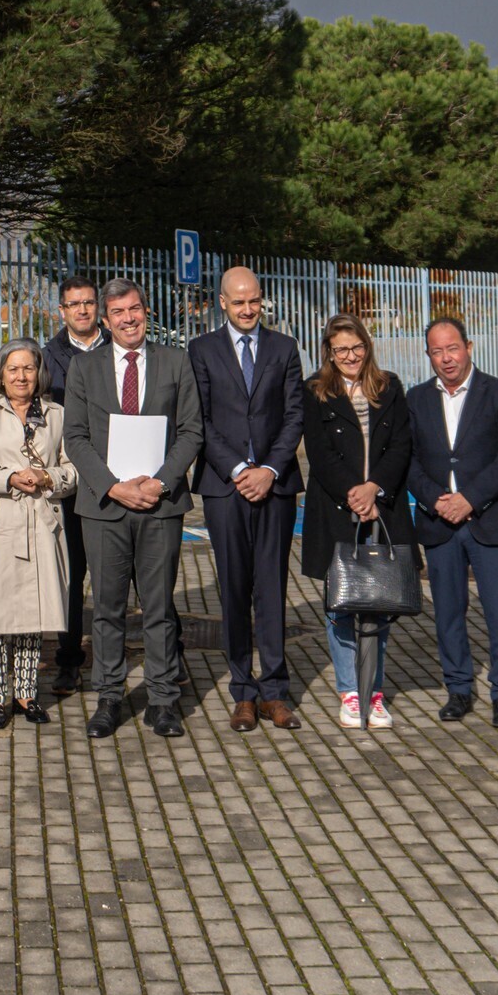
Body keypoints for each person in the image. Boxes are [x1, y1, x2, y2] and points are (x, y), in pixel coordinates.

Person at [62, 277, 204, 739]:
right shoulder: (84, 369)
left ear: (147, 311)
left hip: (160, 506)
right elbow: (76, 438)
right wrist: (114, 487)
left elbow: (191, 432)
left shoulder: (176, 362)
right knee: (106, 608)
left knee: (159, 606)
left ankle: (162, 699)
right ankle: (108, 697)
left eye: (135, 309)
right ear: (105, 319)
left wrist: (160, 483)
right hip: (105, 507)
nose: (129, 318)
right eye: (118, 312)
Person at [188, 267, 308, 732]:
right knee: (234, 589)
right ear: (222, 302)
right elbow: (199, 418)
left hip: (276, 486)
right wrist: (239, 470)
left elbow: (294, 414)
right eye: (238, 302)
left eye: (253, 300)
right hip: (224, 487)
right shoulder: (200, 350)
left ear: (262, 300)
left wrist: (269, 470)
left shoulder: (284, 348)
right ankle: (243, 691)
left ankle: (275, 690)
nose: (247, 309)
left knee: (273, 587)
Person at [404, 317, 498, 728]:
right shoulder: (416, 399)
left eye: (452, 348)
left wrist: (470, 499)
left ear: (469, 347)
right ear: (428, 356)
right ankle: (458, 688)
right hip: (440, 521)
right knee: (448, 612)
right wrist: (436, 500)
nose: (446, 358)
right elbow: (408, 459)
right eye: (437, 351)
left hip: (491, 519)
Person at [0, 339, 79, 728]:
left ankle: (26, 694)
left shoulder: (57, 415)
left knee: (30, 617)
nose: (21, 376)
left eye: (28, 368)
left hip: (41, 525)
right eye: (13, 368)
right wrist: (6, 477)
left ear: (39, 373)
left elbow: (72, 470)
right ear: (1, 374)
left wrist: (47, 477)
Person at [299, 314, 414, 730]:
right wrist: (353, 490)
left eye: (357, 347)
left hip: (382, 508)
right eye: (340, 349)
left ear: (367, 346)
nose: (350, 356)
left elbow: (402, 444)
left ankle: (375, 691)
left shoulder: (390, 386)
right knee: (342, 605)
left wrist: (375, 489)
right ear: (328, 352)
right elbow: (318, 450)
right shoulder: (316, 391)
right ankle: (350, 690)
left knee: (379, 602)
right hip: (336, 510)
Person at [39, 275, 106, 694]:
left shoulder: (120, 346)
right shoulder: (48, 357)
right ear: (61, 311)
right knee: (71, 574)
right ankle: (68, 661)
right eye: (73, 304)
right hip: (71, 478)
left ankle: (156, 655)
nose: (82, 310)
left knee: (125, 572)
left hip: (118, 475)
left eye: (88, 302)